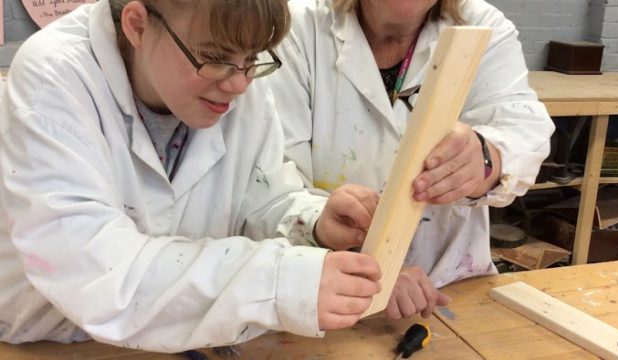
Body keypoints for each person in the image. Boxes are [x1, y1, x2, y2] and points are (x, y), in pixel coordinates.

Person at [0, 0, 384, 353]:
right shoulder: (55, 78)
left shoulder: (238, 81)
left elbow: (258, 198)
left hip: (177, 337)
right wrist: (279, 282)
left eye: (252, 58)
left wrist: (313, 225)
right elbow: (97, 271)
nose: (239, 83)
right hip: (49, 340)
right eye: (214, 57)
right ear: (137, 26)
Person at [269, 0, 555, 319]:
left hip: (451, 288)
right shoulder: (297, 28)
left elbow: (523, 129)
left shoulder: (481, 25)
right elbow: (270, 183)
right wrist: (355, 251)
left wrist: (487, 159)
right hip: (327, 290)